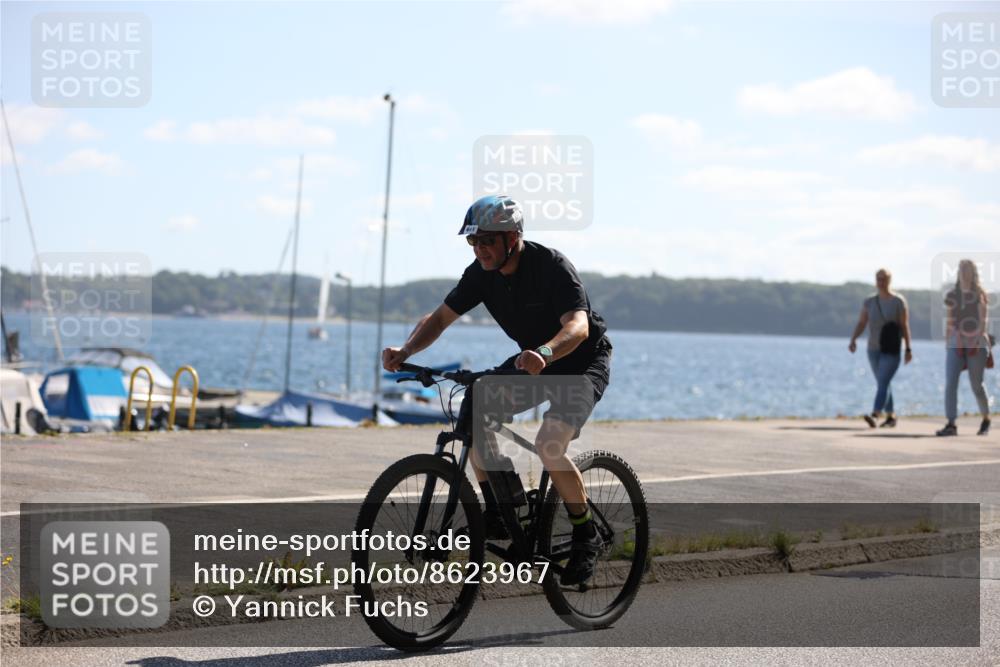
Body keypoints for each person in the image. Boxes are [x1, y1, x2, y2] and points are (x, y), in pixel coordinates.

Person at [381, 194, 613, 585]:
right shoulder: (481, 273)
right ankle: (503, 509)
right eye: (473, 241)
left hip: (580, 362)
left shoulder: (552, 266)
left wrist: (545, 352)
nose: (479, 249)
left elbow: (578, 327)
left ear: (512, 237)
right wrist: (406, 351)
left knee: (549, 444)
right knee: (476, 406)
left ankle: (585, 532)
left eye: (487, 240)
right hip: (533, 362)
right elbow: (440, 318)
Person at [848, 268, 913, 428]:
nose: (881, 282)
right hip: (873, 349)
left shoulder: (898, 302)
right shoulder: (869, 302)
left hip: (891, 349)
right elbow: (862, 322)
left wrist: (908, 348)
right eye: (878, 279)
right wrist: (853, 339)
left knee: (883, 381)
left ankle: (875, 414)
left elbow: (904, 325)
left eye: (884, 279)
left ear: (889, 280)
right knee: (883, 382)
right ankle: (891, 416)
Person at [937, 259, 992, 437]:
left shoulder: (980, 294)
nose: (964, 272)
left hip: (976, 341)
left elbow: (983, 321)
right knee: (950, 383)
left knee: (976, 384)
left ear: (973, 273)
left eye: (967, 269)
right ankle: (951, 423)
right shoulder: (952, 295)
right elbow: (950, 320)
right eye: (961, 269)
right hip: (956, 341)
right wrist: (949, 342)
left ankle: (986, 418)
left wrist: (976, 340)